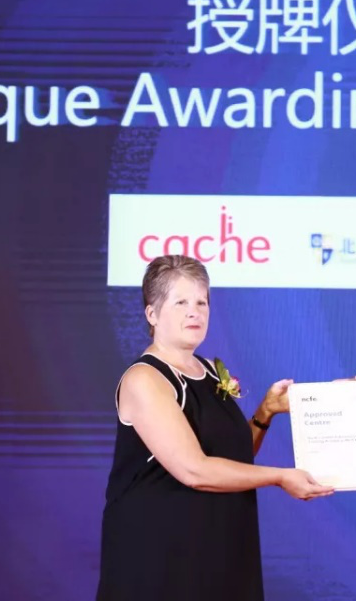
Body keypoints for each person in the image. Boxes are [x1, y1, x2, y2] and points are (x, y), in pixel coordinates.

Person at [97, 254, 332, 601]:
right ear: (152, 314)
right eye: (180, 303)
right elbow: (194, 470)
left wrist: (265, 413)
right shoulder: (144, 379)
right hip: (161, 554)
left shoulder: (208, 370)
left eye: (201, 302)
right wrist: (280, 476)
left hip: (218, 544)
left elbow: (232, 457)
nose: (195, 312)